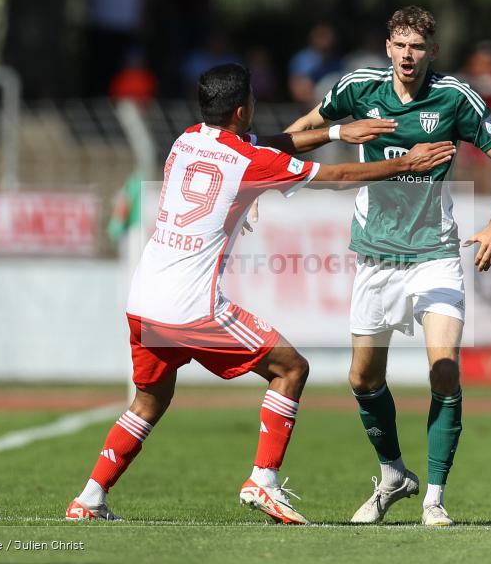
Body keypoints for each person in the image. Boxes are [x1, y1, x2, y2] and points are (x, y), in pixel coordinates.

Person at [65, 63, 456, 525]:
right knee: (291, 368)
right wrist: (404, 164)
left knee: (149, 401)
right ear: (241, 108)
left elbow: (268, 145)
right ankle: (263, 481)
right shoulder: (250, 162)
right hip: (193, 307)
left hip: (144, 301)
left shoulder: (186, 139)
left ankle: (89, 498)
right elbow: (334, 178)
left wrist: (335, 129)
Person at [285, 5, 491, 526]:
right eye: (399, 44)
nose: (408, 55)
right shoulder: (357, 88)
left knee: (443, 367)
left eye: (418, 46)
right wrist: (267, 176)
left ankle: (434, 499)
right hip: (375, 255)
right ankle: (394, 473)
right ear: (387, 47)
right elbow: (301, 129)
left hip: (436, 255)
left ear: (432, 51)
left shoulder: (454, 97)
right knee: (362, 376)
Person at [288, 22, 342, 109]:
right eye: (321, 36)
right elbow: (298, 91)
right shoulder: (303, 59)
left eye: (327, 36)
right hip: (313, 109)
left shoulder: (337, 61)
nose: (325, 41)